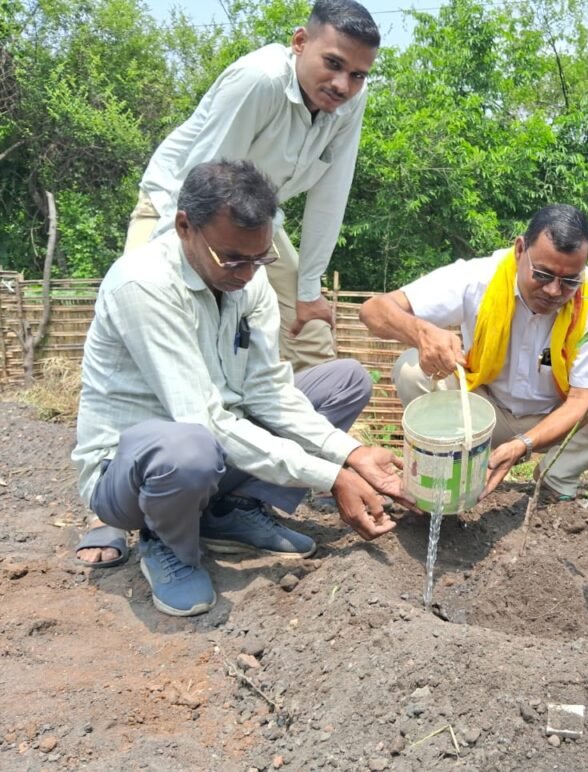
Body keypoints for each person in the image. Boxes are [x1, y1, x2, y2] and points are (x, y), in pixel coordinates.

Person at [76, 0, 379, 567]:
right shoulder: (258, 79)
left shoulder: (349, 102)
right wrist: (187, 259)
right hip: (182, 209)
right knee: (152, 366)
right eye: (333, 64)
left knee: (311, 352)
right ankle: (119, 508)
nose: (343, 84)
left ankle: (231, 502)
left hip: (258, 223)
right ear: (299, 43)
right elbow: (204, 179)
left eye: (358, 74)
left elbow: (332, 192)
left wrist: (305, 286)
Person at [72, 160, 405, 616]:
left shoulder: (249, 278)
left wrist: (351, 454)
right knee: (188, 448)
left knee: (343, 380)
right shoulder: (143, 284)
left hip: (213, 452)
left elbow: (268, 390)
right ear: (185, 226)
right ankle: (168, 542)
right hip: (135, 473)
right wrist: (331, 477)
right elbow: (201, 419)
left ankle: (227, 513)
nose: (247, 273)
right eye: (232, 259)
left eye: (259, 258)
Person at [359, 204, 588, 501]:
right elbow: (374, 310)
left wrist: (524, 444)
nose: (554, 291)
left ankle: (557, 475)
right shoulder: (476, 277)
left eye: (569, 281)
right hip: (477, 413)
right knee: (412, 368)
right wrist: (421, 333)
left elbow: (583, 401)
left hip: (556, 419)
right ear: (520, 250)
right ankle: (450, 476)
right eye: (542, 274)